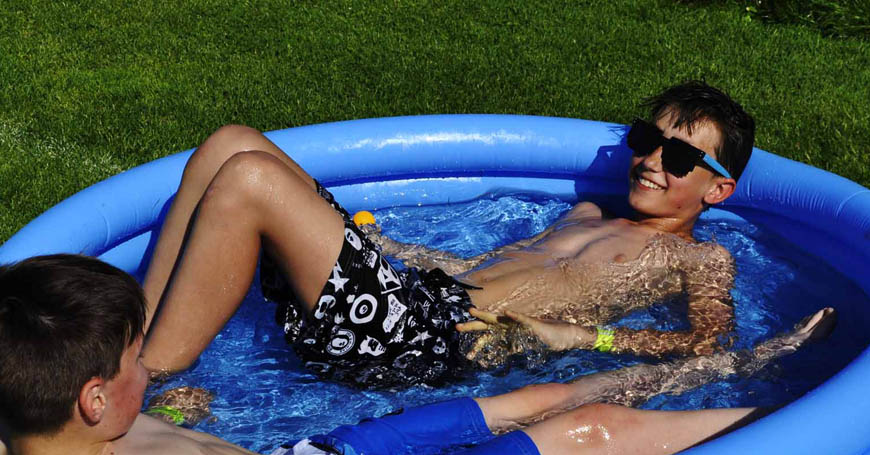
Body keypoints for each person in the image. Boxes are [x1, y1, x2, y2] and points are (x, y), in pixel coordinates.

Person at [0, 254, 832, 455]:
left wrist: (174, 417)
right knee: (596, 430)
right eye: (136, 363)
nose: (147, 371)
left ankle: (744, 365)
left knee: (539, 396)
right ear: (92, 398)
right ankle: (803, 432)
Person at [138, 81, 774, 389]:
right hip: (410, 301)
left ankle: (150, 379)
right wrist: (391, 250)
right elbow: (478, 266)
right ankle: (133, 335)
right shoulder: (584, 213)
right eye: (646, 139)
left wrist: (586, 337)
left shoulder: (701, 257)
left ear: (718, 190)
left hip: (431, 343)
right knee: (231, 143)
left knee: (249, 176)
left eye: (680, 157)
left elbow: (706, 347)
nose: (653, 160)